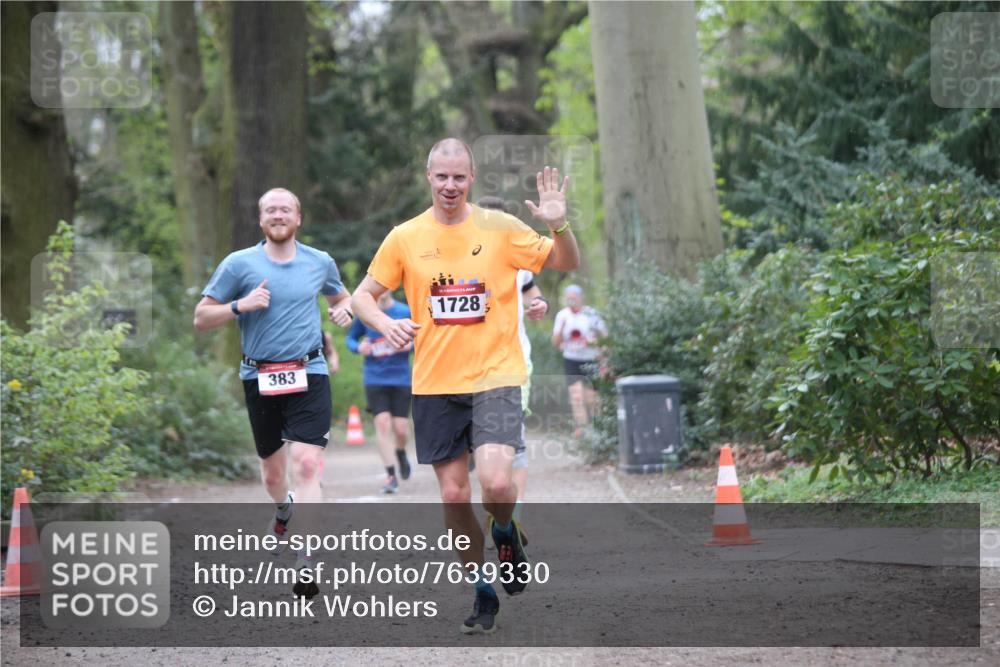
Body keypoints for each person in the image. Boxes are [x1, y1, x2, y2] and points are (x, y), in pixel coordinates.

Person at [352, 138, 580, 635]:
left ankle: (503, 529)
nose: (450, 186)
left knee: (497, 483)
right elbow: (362, 297)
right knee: (454, 496)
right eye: (441, 177)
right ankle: (482, 590)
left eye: (459, 177)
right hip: (434, 383)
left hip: (495, 376)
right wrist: (381, 323)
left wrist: (558, 223)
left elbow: (566, 262)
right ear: (428, 178)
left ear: (471, 178)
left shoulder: (500, 228)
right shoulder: (405, 237)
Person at [193, 187, 354, 598]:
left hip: (309, 371)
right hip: (259, 376)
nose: (278, 215)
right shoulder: (238, 264)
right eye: (270, 210)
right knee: (272, 474)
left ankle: (307, 558)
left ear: (299, 218)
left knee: (306, 465)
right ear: (261, 219)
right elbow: (201, 317)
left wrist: (344, 311)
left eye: (285, 209)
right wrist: (239, 306)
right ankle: (283, 511)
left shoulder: (320, 262)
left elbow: (344, 299)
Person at [475, 196, 549, 531]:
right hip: (466, 367)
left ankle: (512, 516)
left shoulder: (518, 262)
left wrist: (538, 305)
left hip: (514, 364)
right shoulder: (461, 259)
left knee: (512, 441)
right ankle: (497, 508)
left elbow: (533, 291)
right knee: (481, 449)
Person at [345, 291, 414, 495]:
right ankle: (391, 475)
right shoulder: (367, 313)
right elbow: (351, 338)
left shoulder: (404, 311)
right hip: (375, 378)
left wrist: (410, 346)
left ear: (390, 288)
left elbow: (421, 338)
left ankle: (400, 452)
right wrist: (359, 347)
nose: (381, 291)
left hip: (400, 378)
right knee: (383, 424)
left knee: (401, 429)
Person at [551, 284, 607, 436]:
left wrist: (602, 356)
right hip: (571, 359)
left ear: (581, 298)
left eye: (574, 298)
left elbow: (605, 337)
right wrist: (562, 328)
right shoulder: (562, 315)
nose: (571, 301)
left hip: (591, 359)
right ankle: (582, 429)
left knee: (592, 397)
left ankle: (599, 426)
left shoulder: (591, 314)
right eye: (569, 298)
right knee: (575, 395)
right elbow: (555, 342)